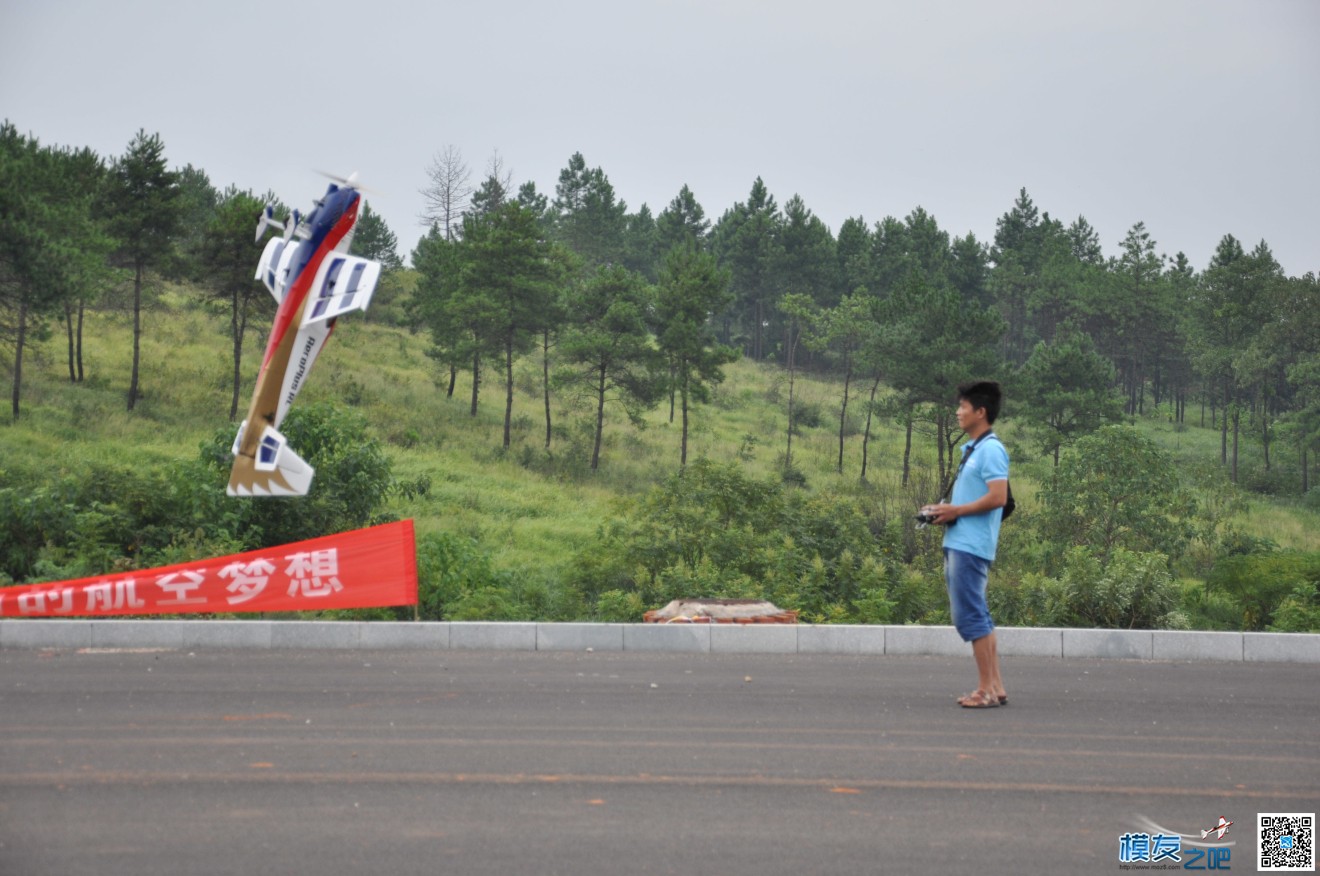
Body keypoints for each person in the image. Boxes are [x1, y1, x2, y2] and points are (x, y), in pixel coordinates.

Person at [921, 380, 1010, 709]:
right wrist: (944, 513)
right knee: (979, 615)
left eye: (963, 407)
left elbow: (998, 497)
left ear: (981, 412)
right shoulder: (972, 449)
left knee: (970, 616)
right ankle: (996, 686)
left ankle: (984, 690)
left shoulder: (991, 449)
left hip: (971, 547)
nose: (958, 412)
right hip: (960, 541)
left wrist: (956, 510)